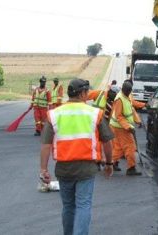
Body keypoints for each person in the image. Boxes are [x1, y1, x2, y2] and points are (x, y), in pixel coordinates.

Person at [39, 79, 114, 235]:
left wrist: (43, 169)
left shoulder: (54, 114)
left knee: (68, 206)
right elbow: (107, 141)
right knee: (83, 205)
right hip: (86, 169)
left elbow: (46, 144)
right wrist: (109, 163)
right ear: (82, 93)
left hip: (64, 170)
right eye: (87, 92)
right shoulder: (94, 113)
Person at [109, 80, 143, 175]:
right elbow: (119, 116)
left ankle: (110, 162)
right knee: (130, 146)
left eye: (129, 91)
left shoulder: (126, 97)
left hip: (119, 126)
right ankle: (131, 168)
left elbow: (131, 111)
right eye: (127, 91)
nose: (129, 93)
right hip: (120, 128)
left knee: (119, 148)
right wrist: (128, 127)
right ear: (124, 90)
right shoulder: (120, 99)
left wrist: (137, 121)